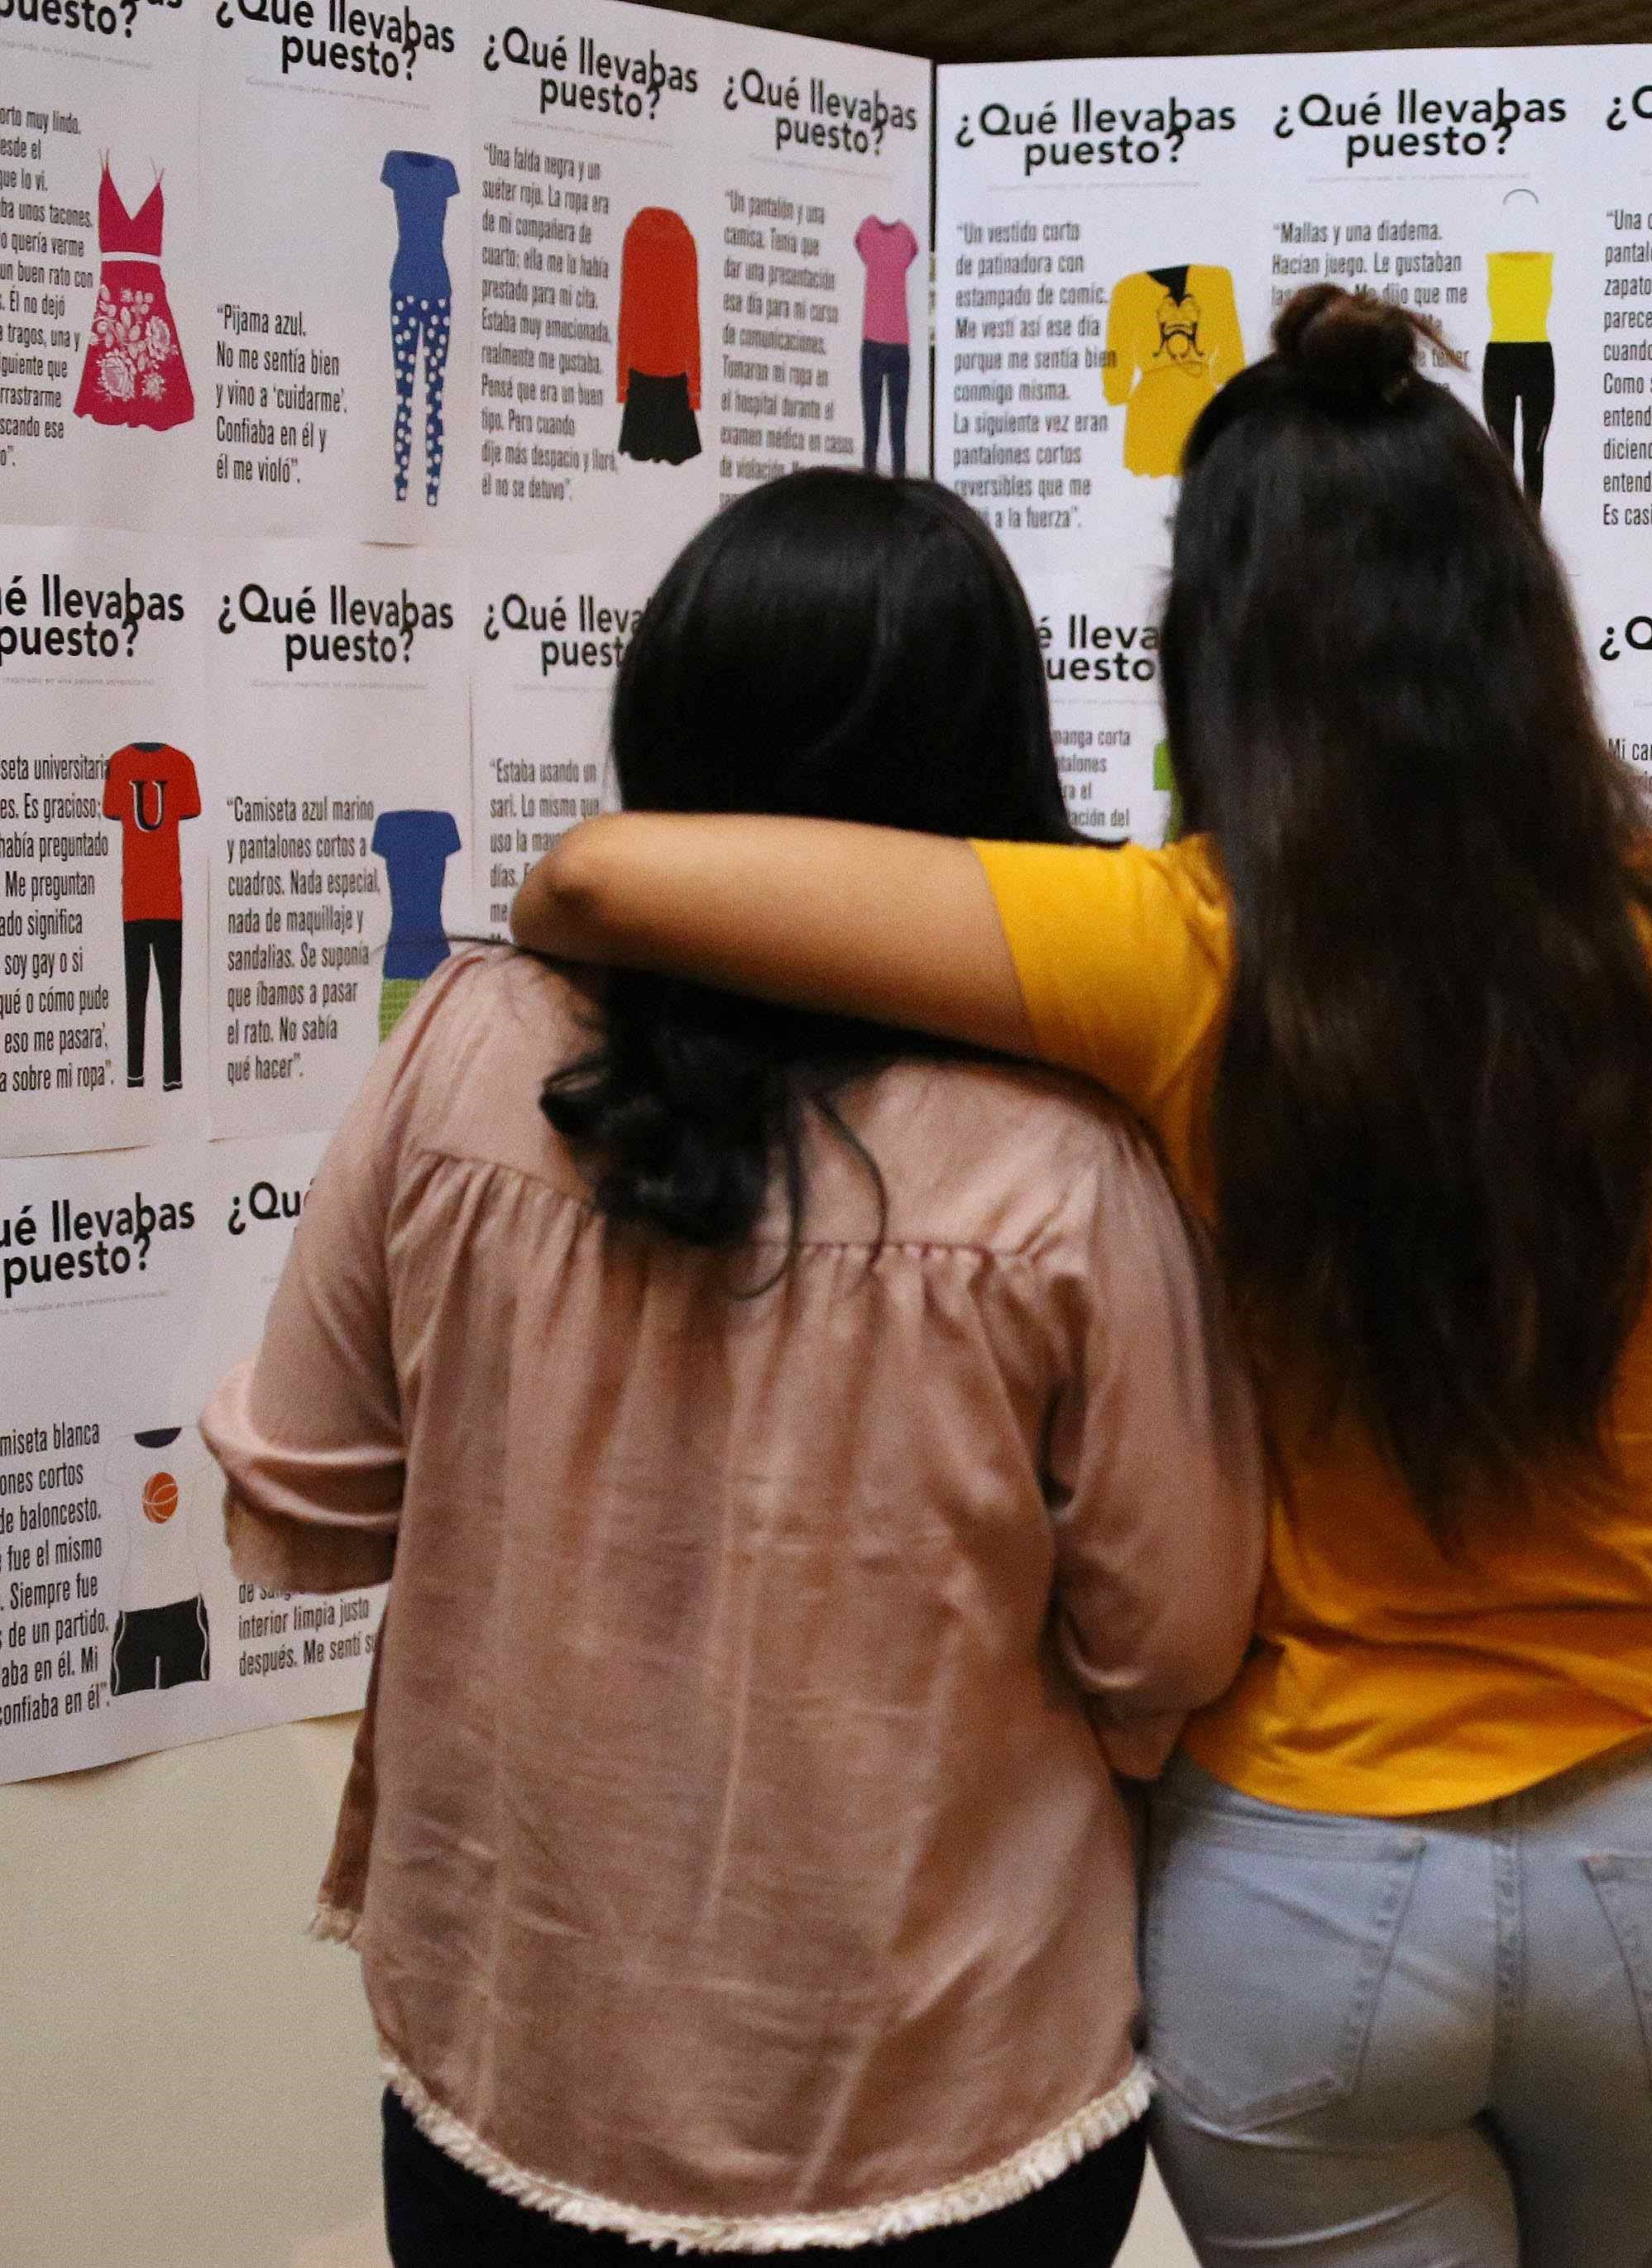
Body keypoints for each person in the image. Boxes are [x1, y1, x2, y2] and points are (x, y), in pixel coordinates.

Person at [510, 285, 1652, 2268]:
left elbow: (602, 881)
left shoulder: (1182, 947)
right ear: (1520, 631)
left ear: (1218, 647)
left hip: (1298, 1881)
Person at [203, 472, 1264, 2266]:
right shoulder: (1065, 1167)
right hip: (946, 2112)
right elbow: (1167, 1646)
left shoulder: (464, 1054)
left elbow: (303, 1489)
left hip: (515, 2082)